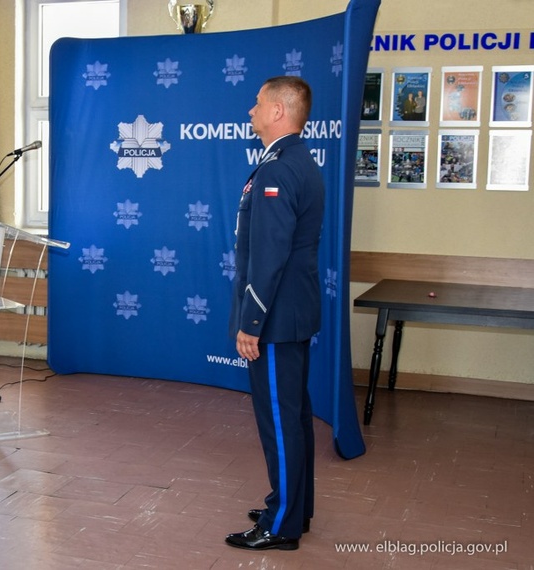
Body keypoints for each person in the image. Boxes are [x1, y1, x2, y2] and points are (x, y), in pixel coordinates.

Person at [226, 76, 324, 551]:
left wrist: (251, 322)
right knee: (294, 415)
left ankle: (281, 524)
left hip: (277, 318)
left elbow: (269, 255)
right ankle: (295, 506)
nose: (251, 110)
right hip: (293, 314)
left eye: (258, 103)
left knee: (280, 421)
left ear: (279, 112)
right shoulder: (293, 161)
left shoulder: (278, 170)